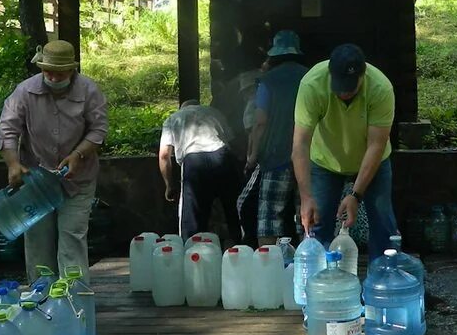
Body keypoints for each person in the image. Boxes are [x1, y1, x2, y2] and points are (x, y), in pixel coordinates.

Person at [0, 40, 108, 283]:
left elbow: (98, 130)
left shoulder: (89, 91)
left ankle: (75, 298)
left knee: (71, 238)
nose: (53, 78)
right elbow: (7, 129)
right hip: (35, 182)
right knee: (37, 241)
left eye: (59, 73)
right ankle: (41, 299)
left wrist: (78, 154)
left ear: (71, 70)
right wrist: (13, 164)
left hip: (78, 180)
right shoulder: (24, 92)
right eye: (48, 72)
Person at [292, 43, 398, 259]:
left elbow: (376, 145)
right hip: (325, 161)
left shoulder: (380, 88)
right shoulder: (312, 85)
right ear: (330, 74)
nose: (344, 93)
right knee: (316, 223)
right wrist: (306, 197)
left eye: (351, 87)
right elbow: (300, 145)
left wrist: (355, 195)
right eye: (339, 86)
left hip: (372, 161)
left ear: (363, 75)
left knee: (383, 224)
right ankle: (317, 285)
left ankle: (383, 280)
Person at [245, 30, 308, 244]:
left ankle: (268, 262)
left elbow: (260, 121)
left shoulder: (267, 81)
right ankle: (308, 264)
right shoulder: (310, 78)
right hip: (308, 155)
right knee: (307, 212)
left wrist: (253, 155)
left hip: (275, 157)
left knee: (269, 216)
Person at [158, 101, 243, 242]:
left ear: (182, 108)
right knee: (233, 208)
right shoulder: (214, 112)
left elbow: (164, 155)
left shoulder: (173, 118)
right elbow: (232, 141)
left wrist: (169, 185)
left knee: (191, 215)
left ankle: (191, 249)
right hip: (222, 155)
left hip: (194, 161)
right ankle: (242, 245)